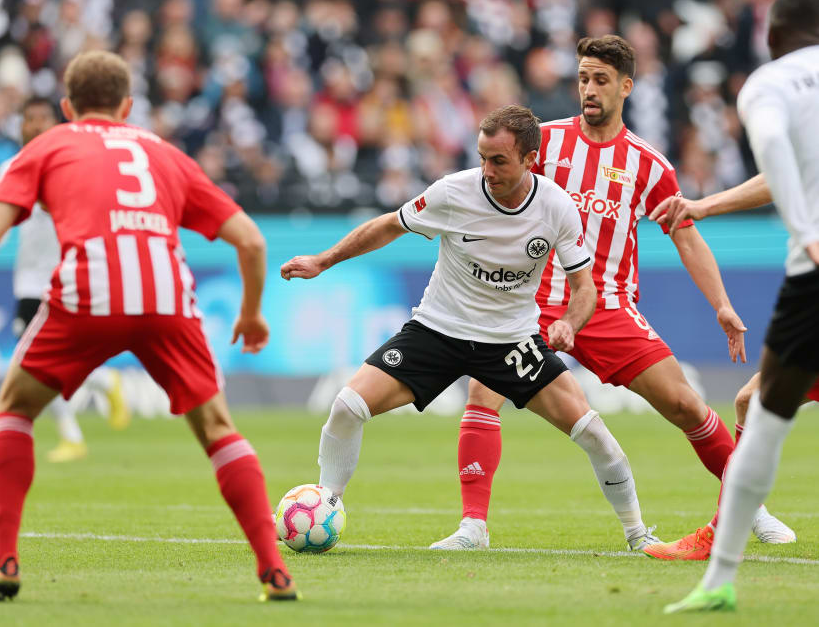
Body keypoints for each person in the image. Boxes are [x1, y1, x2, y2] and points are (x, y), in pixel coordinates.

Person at [0, 51, 299, 603]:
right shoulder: (165, 154)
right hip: (168, 299)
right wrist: (250, 312)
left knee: (13, 408)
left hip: (88, 295)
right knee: (219, 429)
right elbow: (251, 240)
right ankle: (274, 571)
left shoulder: (49, 144)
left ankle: (4, 560)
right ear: (128, 106)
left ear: (66, 107)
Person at [431, 35, 794, 554]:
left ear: (626, 86)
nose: (589, 89)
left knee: (686, 404)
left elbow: (685, 234)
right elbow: (494, 197)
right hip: (529, 301)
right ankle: (472, 527)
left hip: (607, 306)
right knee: (482, 389)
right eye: (583, 78)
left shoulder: (648, 164)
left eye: (600, 79)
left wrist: (722, 304)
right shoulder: (546, 145)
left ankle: (749, 506)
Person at [281, 104, 660, 552]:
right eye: (482, 157)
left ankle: (638, 536)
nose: (487, 169)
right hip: (437, 331)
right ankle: (329, 505)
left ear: (529, 160)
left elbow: (585, 288)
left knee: (594, 433)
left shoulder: (557, 208)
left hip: (510, 341)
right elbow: (389, 226)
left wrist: (570, 324)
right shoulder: (453, 193)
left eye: (498, 160)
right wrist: (324, 260)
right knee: (347, 407)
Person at [656, 0, 819, 610]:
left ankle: (721, 578)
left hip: (813, 275)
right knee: (751, 400)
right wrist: (704, 204)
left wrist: (805, 231)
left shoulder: (768, 84)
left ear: (771, 38)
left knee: (762, 412)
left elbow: (774, 152)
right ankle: (721, 568)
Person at [3, 96, 130, 463]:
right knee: (41, 360)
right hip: (27, 279)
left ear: (55, 122)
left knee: (37, 360)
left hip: (64, 274)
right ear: (22, 125)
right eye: (30, 119)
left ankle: (85, 414)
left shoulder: (69, 164)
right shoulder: (9, 168)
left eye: (44, 118)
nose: (37, 125)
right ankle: (93, 400)